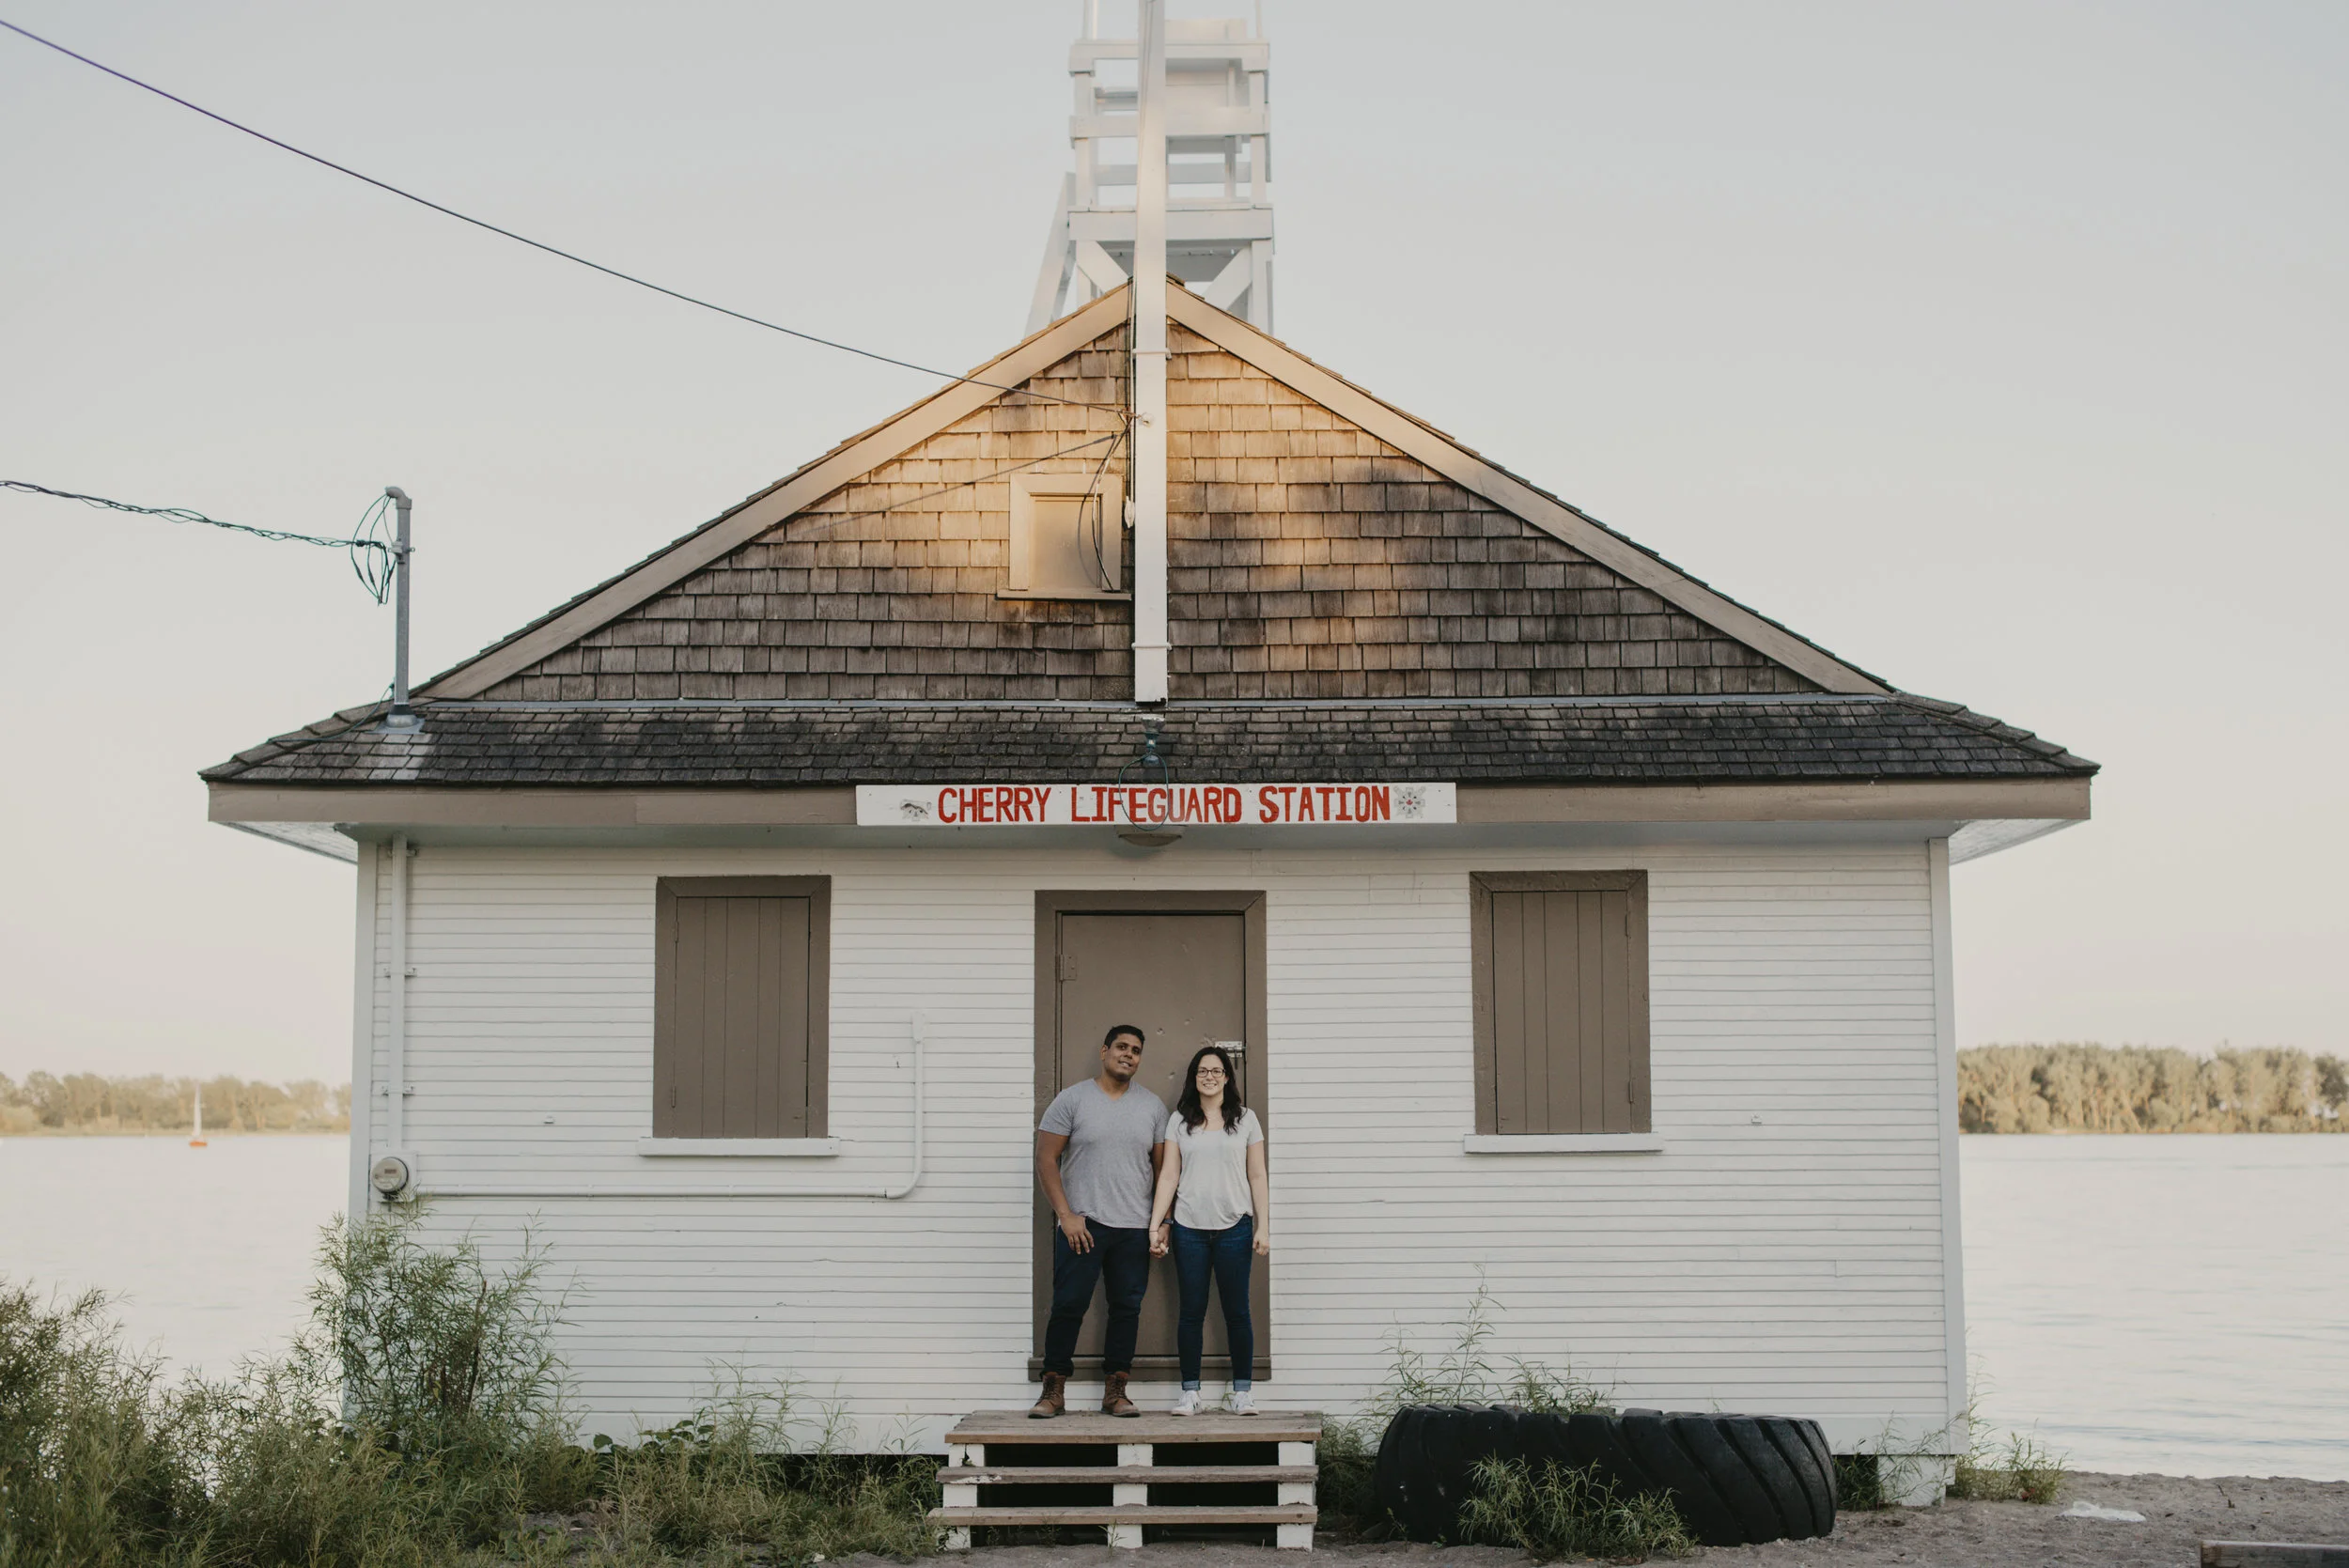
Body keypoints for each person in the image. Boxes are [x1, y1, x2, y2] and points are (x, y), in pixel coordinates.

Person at [1033, 1023, 1166, 1419]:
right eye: (1122, 1047)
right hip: (1083, 1226)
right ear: (1104, 1050)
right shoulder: (1072, 1100)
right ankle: (1053, 1390)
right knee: (1069, 1305)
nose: (1129, 1054)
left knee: (1126, 1308)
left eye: (1136, 1050)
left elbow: (1164, 1171)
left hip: (1134, 1227)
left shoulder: (1153, 1107)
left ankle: (1116, 1391)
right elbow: (1045, 1159)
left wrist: (1162, 1223)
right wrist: (1066, 1216)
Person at [1147, 1044, 1270, 1416]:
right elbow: (1169, 1174)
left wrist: (1264, 1226)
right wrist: (1156, 1225)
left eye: (1217, 1071)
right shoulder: (1179, 1121)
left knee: (1238, 1312)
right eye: (1203, 1071)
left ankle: (1242, 1393)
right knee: (1191, 1312)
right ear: (1194, 1077)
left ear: (1227, 1077)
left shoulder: (1246, 1119)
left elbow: (1257, 1174)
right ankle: (1190, 1393)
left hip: (1235, 1225)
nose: (1210, 1077)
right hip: (1189, 1229)